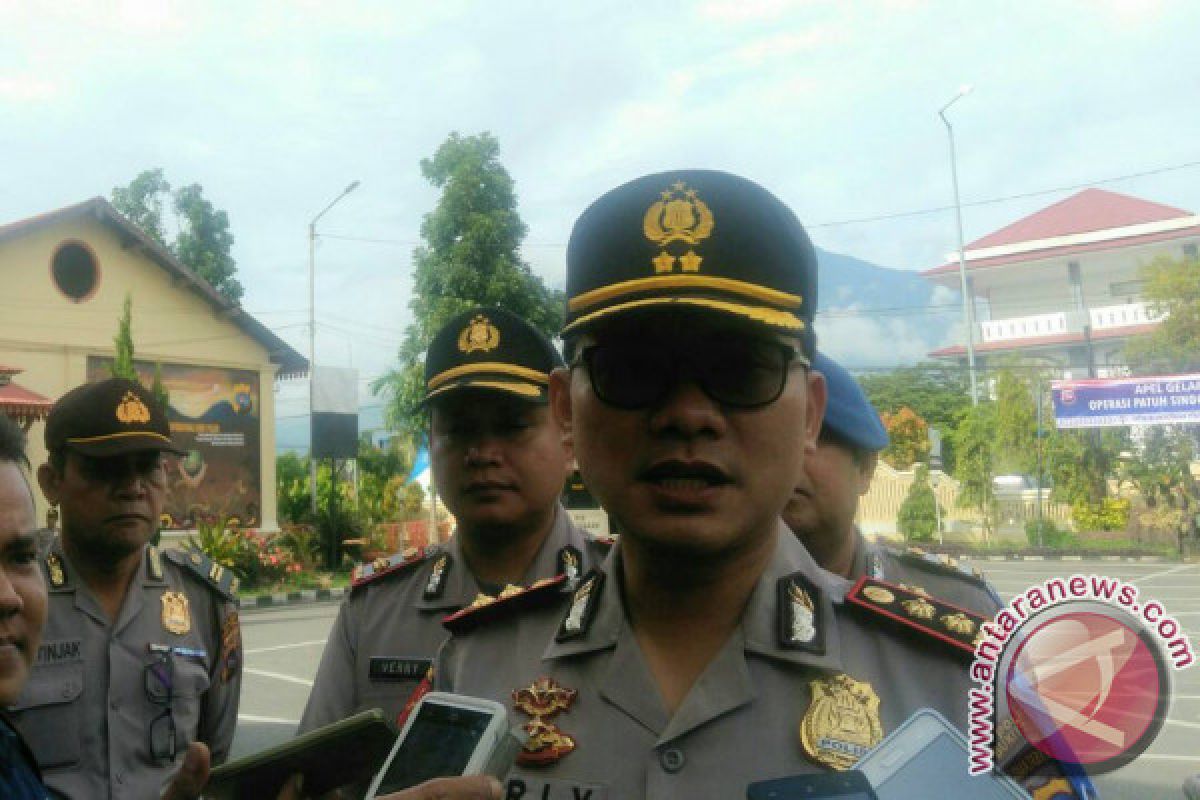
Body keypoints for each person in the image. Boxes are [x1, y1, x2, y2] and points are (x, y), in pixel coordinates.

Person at [433, 170, 987, 798]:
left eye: (741, 368)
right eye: (635, 368)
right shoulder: (476, 665)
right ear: (565, 412)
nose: (687, 414)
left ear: (809, 414)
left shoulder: (953, 685)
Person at [301, 307, 608, 737]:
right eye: (459, 431)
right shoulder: (376, 611)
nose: (482, 453)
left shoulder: (622, 591)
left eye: (512, 427)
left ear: (567, 434)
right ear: (432, 443)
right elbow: (312, 778)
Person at [7, 378, 241, 800]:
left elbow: (216, 759)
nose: (133, 487)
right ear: (51, 481)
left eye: (147, 466)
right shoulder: (16, 599)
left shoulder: (206, 601)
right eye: (107, 467)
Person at [784, 352, 1002, 615]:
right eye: (769, 438)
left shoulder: (960, 607)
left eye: (814, 435)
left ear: (865, 468)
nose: (782, 456)